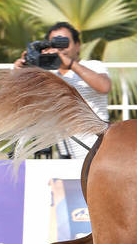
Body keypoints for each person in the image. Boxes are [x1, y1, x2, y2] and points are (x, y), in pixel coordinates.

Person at [13, 22, 111, 158]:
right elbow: (23, 104)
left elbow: (104, 87)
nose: (59, 49)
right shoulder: (47, 74)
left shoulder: (93, 66)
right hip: (65, 154)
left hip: (98, 149)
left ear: (78, 46)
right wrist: (21, 73)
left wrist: (68, 63)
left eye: (64, 42)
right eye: (54, 44)